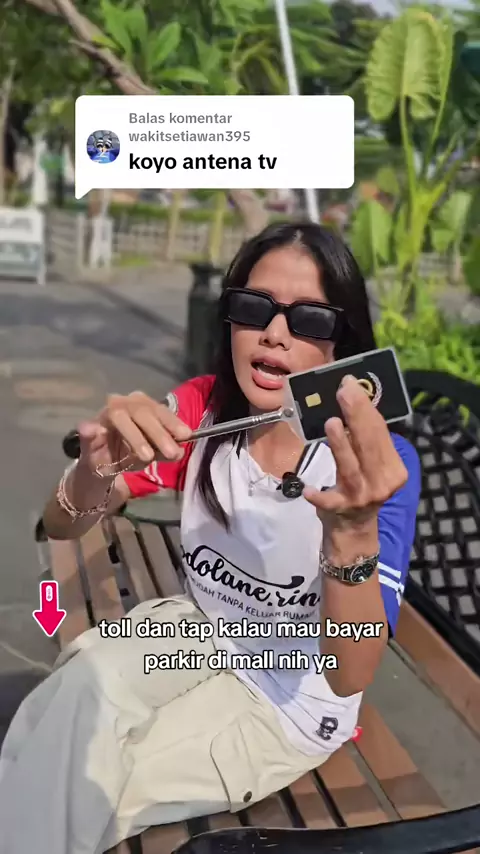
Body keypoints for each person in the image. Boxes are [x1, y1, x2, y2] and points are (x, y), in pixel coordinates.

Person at [0, 222, 421, 854]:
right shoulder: (204, 412)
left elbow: (349, 671)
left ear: (343, 343)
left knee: (88, 782)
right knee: (61, 717)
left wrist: (353, 533)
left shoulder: (373, 462)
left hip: (285, 695)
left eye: (309, 319)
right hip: (197, 629)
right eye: (252, 307)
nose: (274, 332)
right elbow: (64, 523)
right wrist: (95, 469)